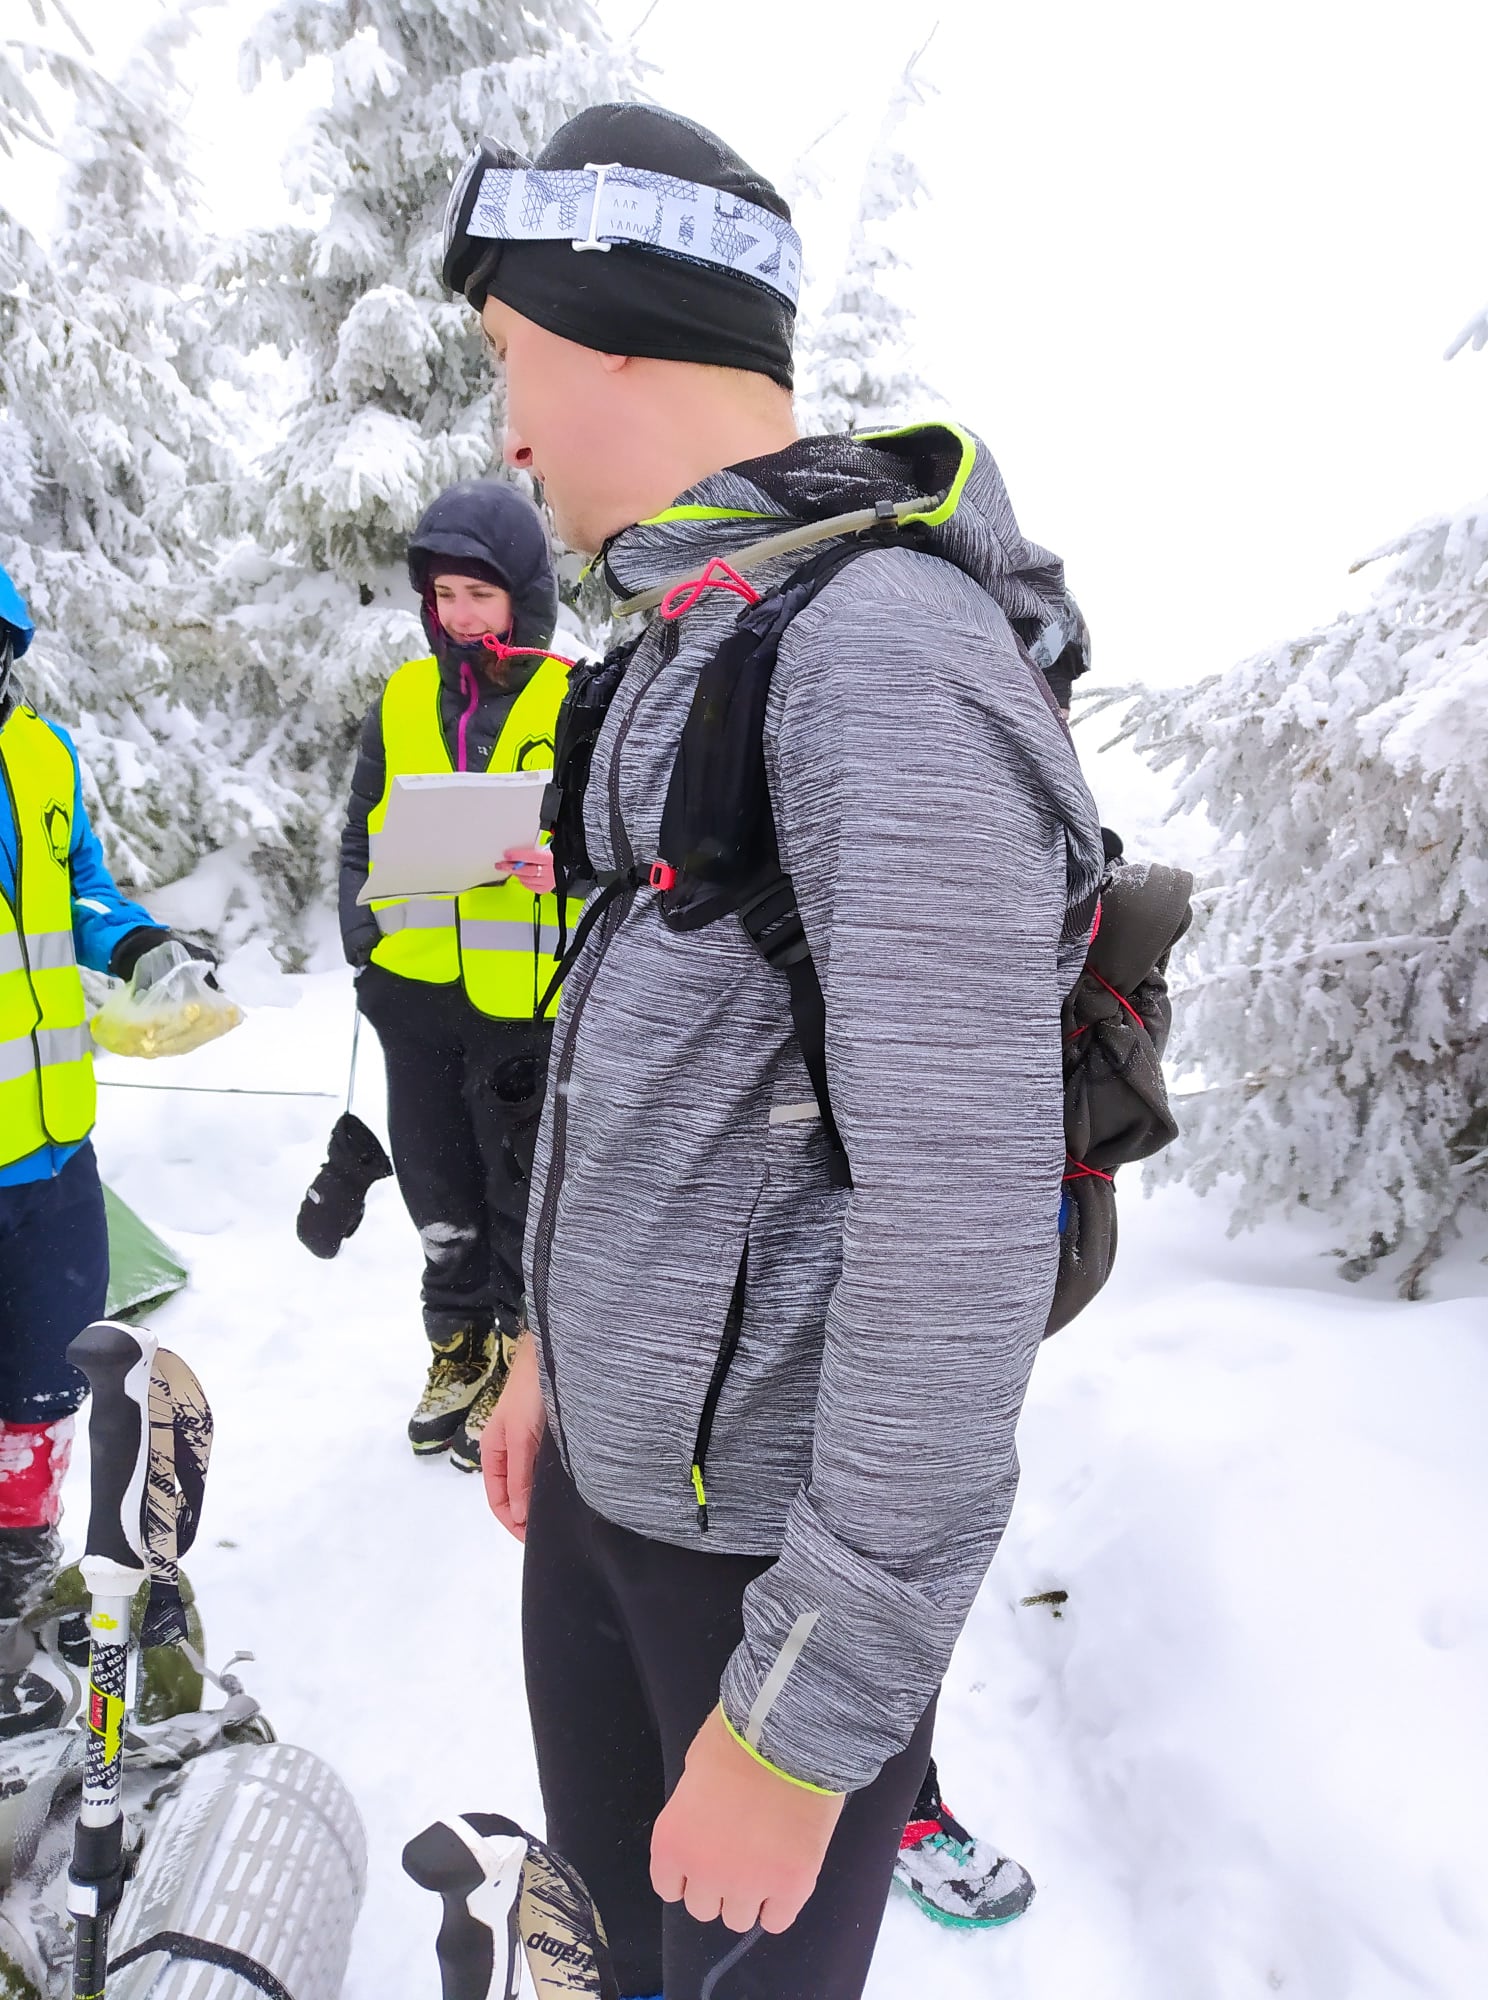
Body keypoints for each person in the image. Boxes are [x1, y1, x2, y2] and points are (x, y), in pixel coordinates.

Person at [449, 105, 1104, 2000]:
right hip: (609, 1494)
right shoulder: (685, 640)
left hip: (759, 1579)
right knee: (599, 1953)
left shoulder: (879, 658)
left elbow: (957, 1229)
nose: (506, 431)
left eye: (512, 360)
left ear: (618, 327)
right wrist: (553, 1360)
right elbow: (650, 1070)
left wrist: (805, 1720)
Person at [0, 564, 223, 1734]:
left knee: (42, 1385)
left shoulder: (41, 755)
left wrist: (137, 943)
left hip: (52, 1148)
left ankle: (21, 1579)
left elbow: (78, 887)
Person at [338, 480, 582, 1470]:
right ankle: (460, 1346)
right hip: (416, 999)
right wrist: (365, 943)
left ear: (523, 595)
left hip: (524, 1006)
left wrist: (563, 864)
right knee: (439, 1186)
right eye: (442, 596)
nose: (458, 617)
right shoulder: (399, 698)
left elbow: (617, 841)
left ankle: (528, 1357)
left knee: (518, 1191)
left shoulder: (577, 696)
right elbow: (360, 829)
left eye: (479, 595)